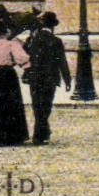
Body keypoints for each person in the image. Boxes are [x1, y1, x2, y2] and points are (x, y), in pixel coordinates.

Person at [24, 12, 72, 144]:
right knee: (46, 105)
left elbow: (25, 56)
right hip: (50, 78)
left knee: (37, 105)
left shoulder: (33, 39)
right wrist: (67, 80)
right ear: (53, 27)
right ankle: (40, 134)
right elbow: (62, 61)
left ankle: (41, 133)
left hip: (35, 77)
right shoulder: (56, 41)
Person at [0, 24, 31, 146]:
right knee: (11, 104)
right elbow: (23, 59)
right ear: (7, 32)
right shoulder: (12, 45)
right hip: (9, 75)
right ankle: (12, 136)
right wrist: (26, 68)